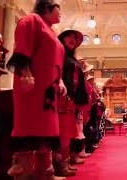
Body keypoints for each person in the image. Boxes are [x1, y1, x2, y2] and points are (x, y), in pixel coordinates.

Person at [6, 0, 72, 178]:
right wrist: (26, 73)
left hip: (49, 90)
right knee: (29, 125)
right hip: (32, 86)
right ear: (47, 6)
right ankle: (23, 171)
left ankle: (45, 171)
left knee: (47, 130)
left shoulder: (51, 30)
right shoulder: (31, 20)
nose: (61, 12)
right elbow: (22, 49)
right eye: (59, 7)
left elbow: (56, 62)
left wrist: (61, 82)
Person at [57, 29, 90, 166]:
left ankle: (68, 158)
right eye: (69, 37)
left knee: (70, 129)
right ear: (62, 39)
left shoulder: (71, 57)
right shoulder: (60, 54)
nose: (72, 39)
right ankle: (62, 162)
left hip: (73, 98)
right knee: (64, 129)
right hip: (63, 95)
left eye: (74, 38)